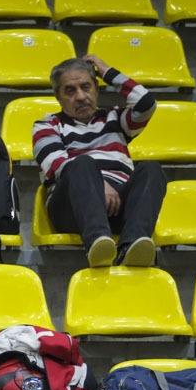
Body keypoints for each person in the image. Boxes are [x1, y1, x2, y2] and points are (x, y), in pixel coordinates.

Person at [33, 54, 166, 268]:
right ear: (58, 97)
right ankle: (96, 244)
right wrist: (100, 184)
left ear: (96, 88)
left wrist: (107, 72)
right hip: (72, 208)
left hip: (118, 205)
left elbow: (146, 103)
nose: (80, 96)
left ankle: (131, 247)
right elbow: (56, 165)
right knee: (81, 163)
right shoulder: (47, 125)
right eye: (70, 91)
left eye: (86, 87)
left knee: (151, 169)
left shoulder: (115, 119)